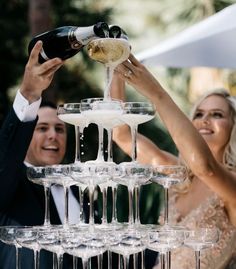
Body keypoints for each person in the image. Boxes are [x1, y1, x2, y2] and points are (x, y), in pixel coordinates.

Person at [110, 53, 236, 269]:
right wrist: (116, 67)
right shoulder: (179, 174)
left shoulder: (232, 185)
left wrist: (156, 93)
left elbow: (205, 167)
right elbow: (121, 134)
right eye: (198, 114)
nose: (205, 120)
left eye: (217, 114)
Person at [0, 41, 81, 268]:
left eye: (60, 129)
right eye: (42, 128)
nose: (53, 135)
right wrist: (29, 94)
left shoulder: (77, 188)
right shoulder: (11, 182)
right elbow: (6, 159)